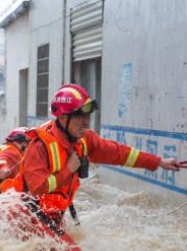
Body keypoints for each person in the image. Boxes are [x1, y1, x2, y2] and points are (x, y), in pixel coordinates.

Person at [19, 83, 180, 226]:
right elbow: (38, 188)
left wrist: (158, 162)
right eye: (80, 116)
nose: (86, 122)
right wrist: (68, 170)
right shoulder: (40, 146)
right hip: (29, 219)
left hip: (52, 218)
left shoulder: (83, 140)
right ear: (62, 117)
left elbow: (119, 153)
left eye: (87, 116)